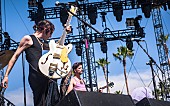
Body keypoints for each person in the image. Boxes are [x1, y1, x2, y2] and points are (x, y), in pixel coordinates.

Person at [1, 20, 71, 106]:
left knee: (54, 100)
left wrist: (65, 33)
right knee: (40, 102)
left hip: (45, 73)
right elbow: (15, 57)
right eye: (50, 33)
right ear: (46, 29)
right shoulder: (28, 39)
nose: (50, 36)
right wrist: (6, 76)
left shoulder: (41, 42)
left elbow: (57, 46)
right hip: (36, 75)